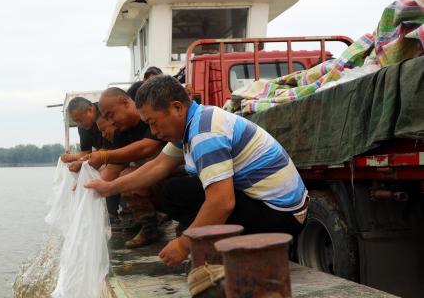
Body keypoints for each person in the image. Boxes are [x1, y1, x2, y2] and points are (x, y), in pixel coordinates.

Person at [86, 75, 308, 266]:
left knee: (181, 193)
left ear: (177, 107)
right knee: (174, 191)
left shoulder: (205, 133)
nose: (154, 131)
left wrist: (184, 245)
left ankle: (232, 247)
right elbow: (157, 165)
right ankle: (216, 239)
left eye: (154, 122)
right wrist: (109, 187)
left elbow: (222, 202)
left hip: (282, 218)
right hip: (274, 209)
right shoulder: (195, 121)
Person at [87, 87, 166, 248]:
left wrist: (105, 155)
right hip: (155, 173)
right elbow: (113, 169)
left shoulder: (148, 117)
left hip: (174, 170)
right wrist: (88, 187)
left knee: (128, 176)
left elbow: (147, 147)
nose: (111, 122)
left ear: (125, 102)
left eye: (111, 115)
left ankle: (153, 225)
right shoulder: (122, 131)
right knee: (122, 173)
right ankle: (146, 222)